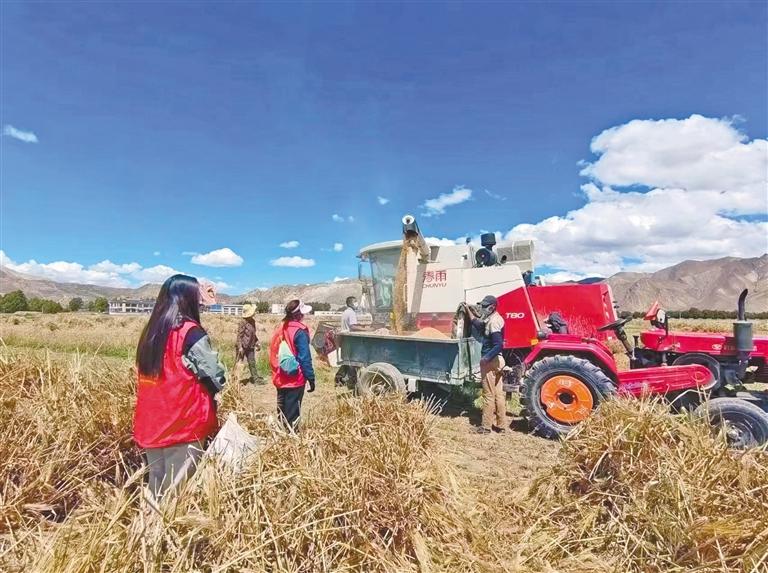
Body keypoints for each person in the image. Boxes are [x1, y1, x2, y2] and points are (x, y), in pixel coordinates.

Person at [133, 274, 226, 500]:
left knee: (156, 485)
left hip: (153, 422)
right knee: (176, 492)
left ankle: (146, 532)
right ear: (188, 299)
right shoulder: (190, 332)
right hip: (183, 421)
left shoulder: (152, 331)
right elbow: (214, 374)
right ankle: (164, 533)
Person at [269, 299, 315, 430]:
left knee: (282, 411)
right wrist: (311, 378)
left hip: (280, 377)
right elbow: (305, 358)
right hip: (295, 380)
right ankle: (290, 440)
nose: (304, 315)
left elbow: (273, 351)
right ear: (298, 314)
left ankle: (281, 435)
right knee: (292, 415)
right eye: (303, 313)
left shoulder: (281, 328)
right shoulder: (300, 331)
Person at [469, 295, 506, 434]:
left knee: (488, 395)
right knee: (498, 394)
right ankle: (501, 426)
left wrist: (486, 358)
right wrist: (469, 312)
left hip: (491, 361)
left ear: (492, 307)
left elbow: (498, 345)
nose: (482, 308)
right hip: (499, 361)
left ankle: (485, 427)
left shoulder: (494, 322)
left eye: (485, 306)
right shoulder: (492, 318)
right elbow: (479, 325)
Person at [335, 296, 366, 386]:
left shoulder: (346, 312)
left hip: (345, 339)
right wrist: (365, 329)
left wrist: (360, 324)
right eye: (355, 301)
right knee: (353, 361)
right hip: (350, 339)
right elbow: (352, 327)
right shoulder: (351, 313)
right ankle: (351, 381)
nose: (357, 303)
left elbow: (351, 324)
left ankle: (339, 379)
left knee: (347, 360)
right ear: (350, 303)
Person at [236, 303, 264, 384]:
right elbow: (239, 335)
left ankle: (256, 379)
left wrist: (257, 342)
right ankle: (235, 381)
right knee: (238, 364)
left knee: (252, 363)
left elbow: (253, 334)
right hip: (242, 346)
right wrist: (240, 347)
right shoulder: (242, 322)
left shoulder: (252, 321)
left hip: (250, 346)